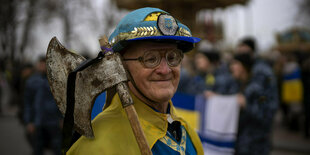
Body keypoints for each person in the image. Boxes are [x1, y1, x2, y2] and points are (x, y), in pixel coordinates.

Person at [67, 7, 203, 154]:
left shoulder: (187, 132)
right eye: (151, 59)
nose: (165, 70)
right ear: (122, 67)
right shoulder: (96, 147)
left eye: (172, 58)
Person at [230, 37, 278, 155]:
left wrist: (246, 105)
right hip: (242, 143)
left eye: (235, 63)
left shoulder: (261, 76)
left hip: (256, 144)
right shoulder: (240, 83)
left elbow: (267, 112)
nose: (231, 67)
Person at [23, 56, 63, 155]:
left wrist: (62, 118)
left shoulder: (56, 80)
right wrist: (29, 121)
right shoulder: (32, 81)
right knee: (37, 148)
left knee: (57, 148)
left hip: (53, 122)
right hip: (38, 121)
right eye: (40, 64)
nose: (41, 66)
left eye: (43, 64)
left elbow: (62, 100)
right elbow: (28, 103)